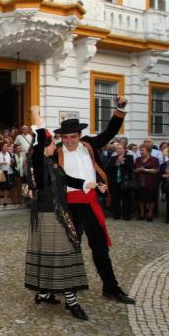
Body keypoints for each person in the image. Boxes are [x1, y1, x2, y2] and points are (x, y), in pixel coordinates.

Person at [53, 96, 135, 305]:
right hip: (69, 205)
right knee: (69, 249)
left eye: (73, 136)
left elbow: (110, 132)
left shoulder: (89, 145)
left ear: (80, 135)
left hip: (90, 204)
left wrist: (119, 109)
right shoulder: (55, 153)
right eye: (65, 137)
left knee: (100, 249)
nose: (69, 140)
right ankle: (61, 288)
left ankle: (111, 288)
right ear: (61, 137)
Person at [24, 106, 91, 321]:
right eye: (53, 142)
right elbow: (42, 135)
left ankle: (44, 292)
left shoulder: (51, 164)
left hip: (56, 212)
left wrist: (88, 184)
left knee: (53, 255)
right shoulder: (39, 163)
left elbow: (68, 180)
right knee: (64, 255)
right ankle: (71, 302)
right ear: (45, 146)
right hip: (49, 215)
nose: (56, 144)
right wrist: (36, 113)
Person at [108, 142, 135, 220]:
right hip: (115, 181)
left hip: (125, 181)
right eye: (117, 148)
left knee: (126, 199)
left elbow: (130, 168)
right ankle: (117, 215)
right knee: (116, 198)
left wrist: (122, 162)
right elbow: (109, 168)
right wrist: (116, 164)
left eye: (120, 148)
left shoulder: (129, 157)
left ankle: (126, 215)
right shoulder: (113, 158)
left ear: (124, 149)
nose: (118, 150)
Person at [134, 145, 160, 221]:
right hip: (140, 182)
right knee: (140, 199)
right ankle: (142, 214)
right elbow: (134, 170)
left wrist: (145, 170)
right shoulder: (138, 159)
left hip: (151, 182)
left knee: (151, 199)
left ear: (148, 151)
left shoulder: (154, 159)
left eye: (143, 150)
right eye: (140, 150)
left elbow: (156, 170)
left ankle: (150, 214)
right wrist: (137, 170)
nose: (141, 152)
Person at [0, 141, 13, 206]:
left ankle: (5, 201)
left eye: (7, 146)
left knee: (6, 187)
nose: (6, 147)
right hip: (0, 171)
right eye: (5, 146)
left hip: (7, 171)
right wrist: (1, 163)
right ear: (1, 147)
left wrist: (12, 162)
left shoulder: (9, 153)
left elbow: (11, 164)